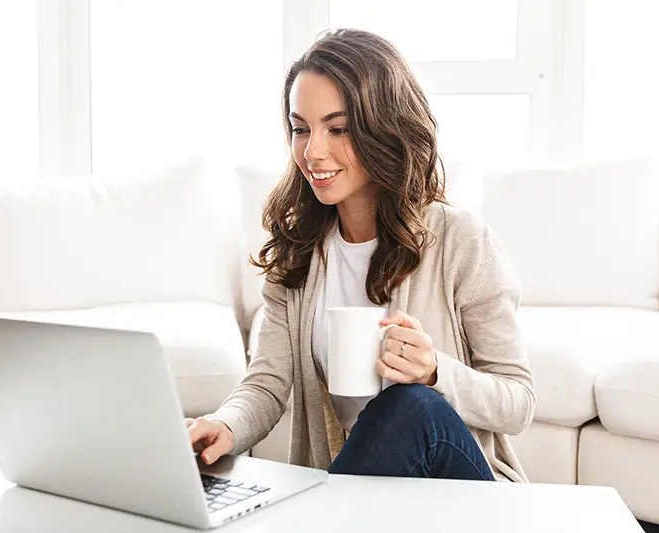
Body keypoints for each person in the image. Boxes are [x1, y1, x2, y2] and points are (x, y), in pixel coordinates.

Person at [186, 28, 536, 482]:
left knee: (410, 405)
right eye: (300, 129)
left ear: (383, 127)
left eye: (338, 128)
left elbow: (519, 402)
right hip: (360, 488)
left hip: (457, 490)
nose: (312, 151)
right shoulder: (299, 252)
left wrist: (435, 372)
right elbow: (267, 383)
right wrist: (225, 426)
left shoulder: (461, 242)